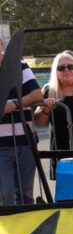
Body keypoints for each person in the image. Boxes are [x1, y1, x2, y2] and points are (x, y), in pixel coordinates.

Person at [34, 53, 73, 168]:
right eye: (61, 68)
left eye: (70, 66)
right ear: (55, 71)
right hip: (61, 146)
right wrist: (46, 110)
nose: (66, 70)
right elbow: (40, 123)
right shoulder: (49, 90)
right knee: (67, 184)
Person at [0, 41, 42, 205]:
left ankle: (26, 230)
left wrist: (14, 104)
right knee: (6, 197)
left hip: (26, 141)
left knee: (25, 197)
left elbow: (37, 94)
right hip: (1, 146)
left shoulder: (19, 63)